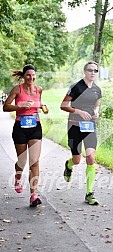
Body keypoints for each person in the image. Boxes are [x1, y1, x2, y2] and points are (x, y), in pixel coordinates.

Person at [3, 64, 48, 207]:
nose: (31, 77)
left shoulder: (39, 90)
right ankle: (18, 176)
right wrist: (20, 106)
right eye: (28, 75)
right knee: (22, 161)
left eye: (33, 75)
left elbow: (38, 103)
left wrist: (43, 107)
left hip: (35, 127)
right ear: (23, 76)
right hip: (20, 127)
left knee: (34, 162)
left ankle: (33, 195)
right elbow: (5, 106)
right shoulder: (17, 89)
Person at [60, 61, 102, 205]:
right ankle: (69, 165)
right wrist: (78, 111)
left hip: (90, 127)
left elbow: (97, 103)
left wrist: (96, 112)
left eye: (95, 71)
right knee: (77, 160)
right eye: (90, 70)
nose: (93, 73)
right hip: (75, 126)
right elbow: (63, 105)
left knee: (90, 157)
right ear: (84, 71)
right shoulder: (76, 87)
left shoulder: (97, 89)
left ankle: (89, 193)